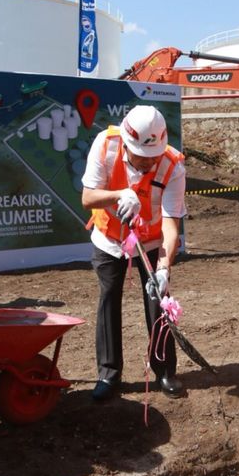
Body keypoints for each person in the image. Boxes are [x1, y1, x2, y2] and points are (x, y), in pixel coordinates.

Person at [81, 105, 186, 401]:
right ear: (128, 143)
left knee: (157, 302)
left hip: (152, 243)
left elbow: (170, 225)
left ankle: (165, 370)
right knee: (109, 299)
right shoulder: (105, 145)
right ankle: (108, 373)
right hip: (108, 237)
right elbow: (88, 198)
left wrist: (164, 268)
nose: (148, 163)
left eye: (153, 157)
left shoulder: (173, 166)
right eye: (141, 156)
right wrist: (118, 194)